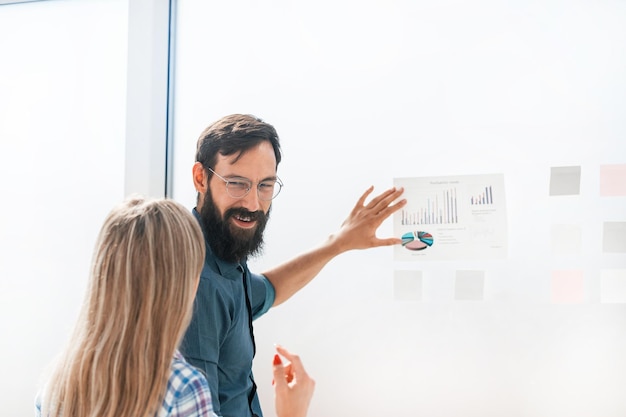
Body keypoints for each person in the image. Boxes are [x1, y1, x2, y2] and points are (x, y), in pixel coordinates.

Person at [180, 113, 406, 417]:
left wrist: (339, 242)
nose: (252, 203)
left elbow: (269, 290)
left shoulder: (224, 258)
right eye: (237, 183)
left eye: (265, 185)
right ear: (200, 178)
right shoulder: (198, 283)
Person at [35, 196, 315, 417]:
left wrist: (336, 244)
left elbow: (262, 290)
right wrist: (292, 413)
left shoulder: (58, 383)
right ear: (187, 285)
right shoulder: (181, 387)